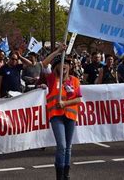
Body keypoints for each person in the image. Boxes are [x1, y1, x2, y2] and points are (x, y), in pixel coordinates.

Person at [39, 45, 82, 180]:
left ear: (69, 67)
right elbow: (44, 64)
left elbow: (79, 98)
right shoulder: (52, 79)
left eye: (66, 64)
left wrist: (65, 103)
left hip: (71, 116)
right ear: (56, 67)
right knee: (62, 146)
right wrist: (57, 52)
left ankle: (65, 175)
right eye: (61, 64)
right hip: (56, 116)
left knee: (68, 148)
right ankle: (59, 176)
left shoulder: (74, 80)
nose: (64, 66)